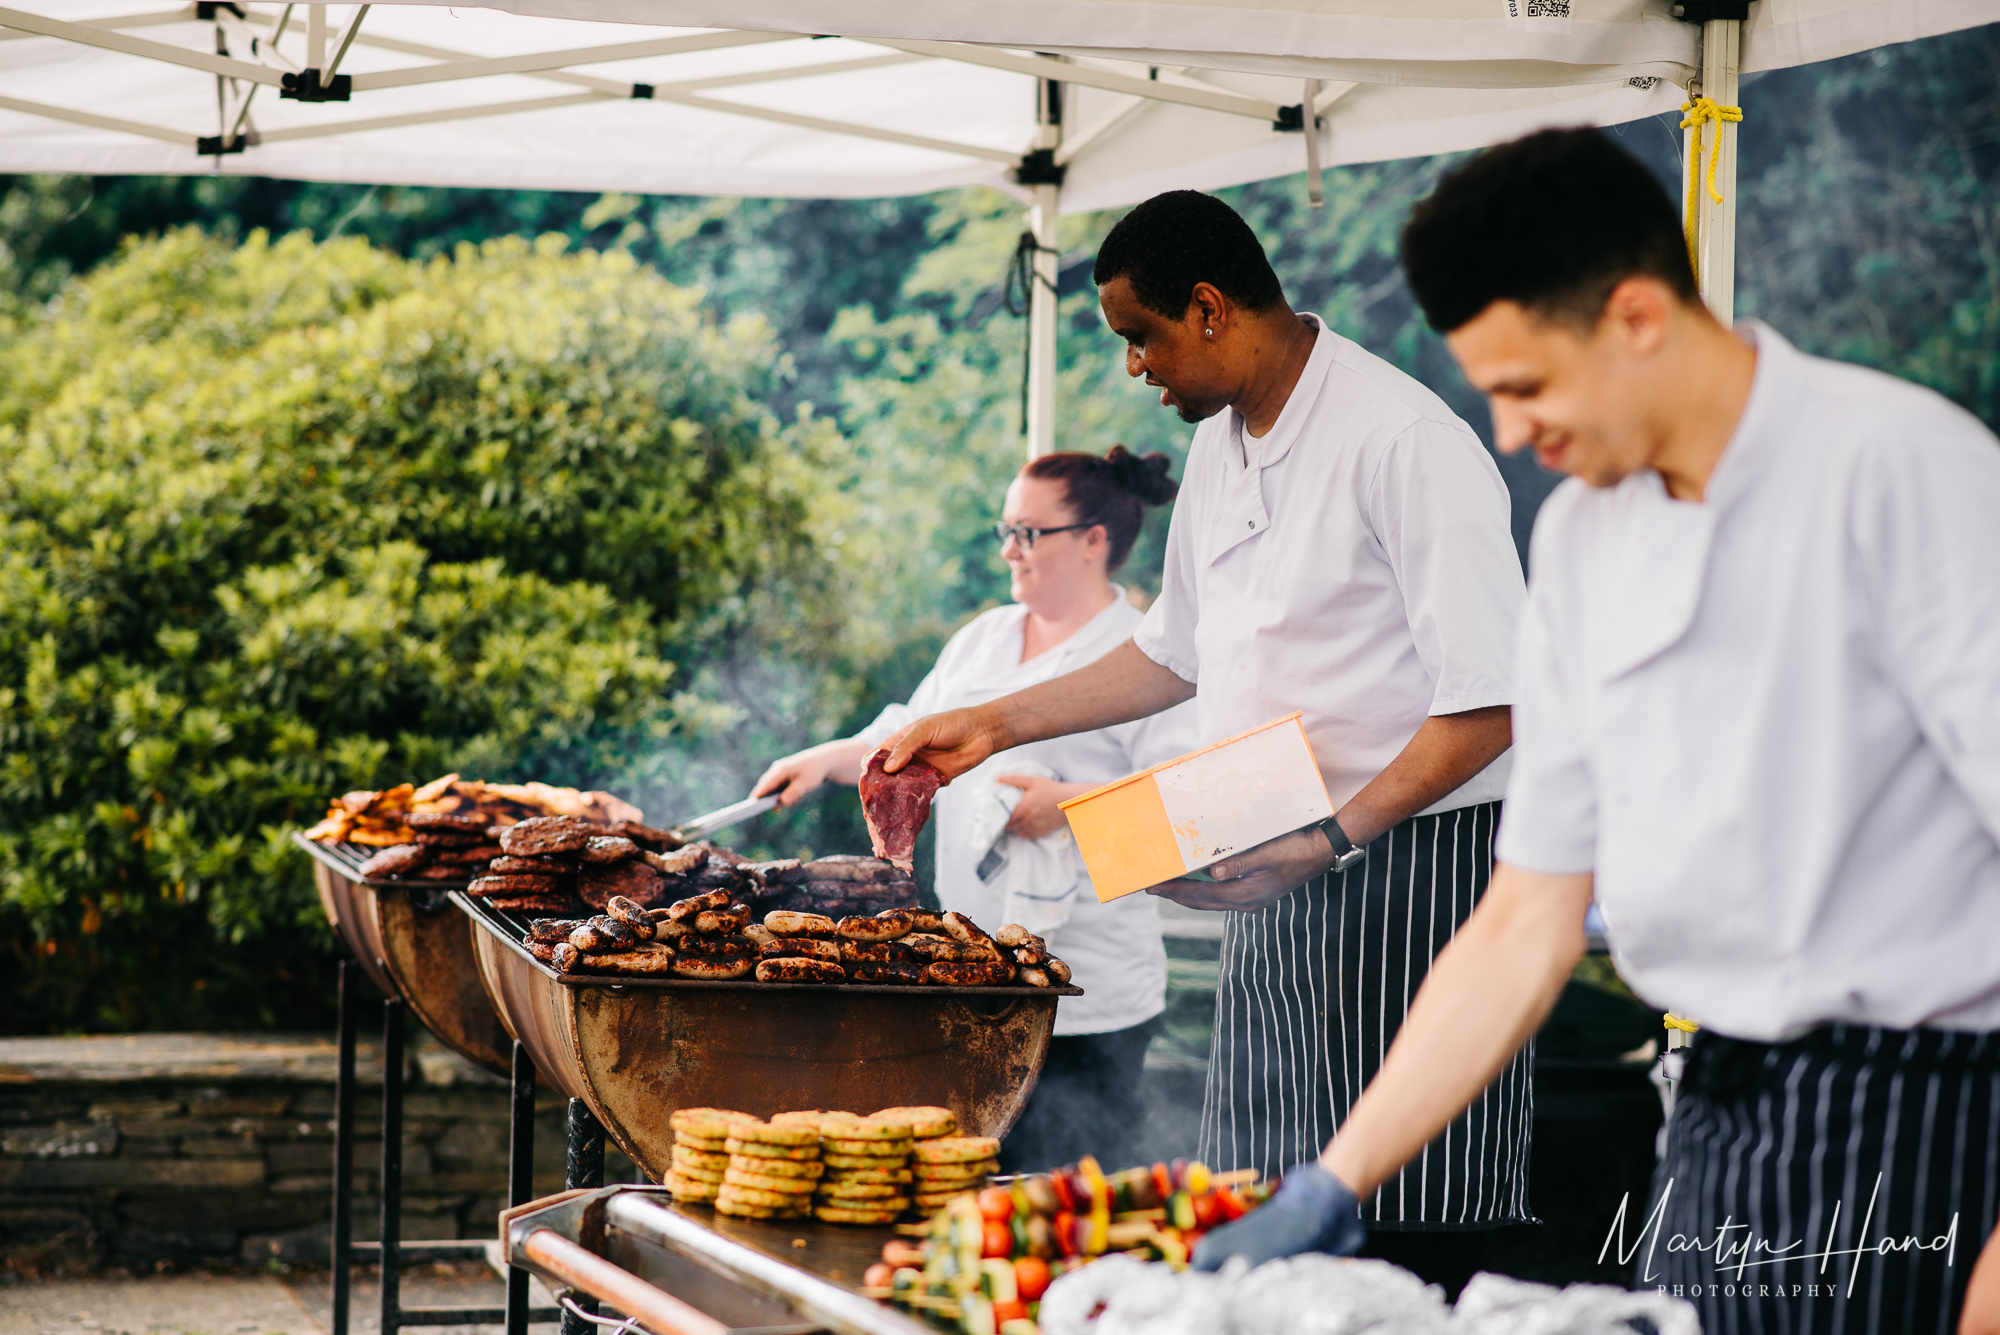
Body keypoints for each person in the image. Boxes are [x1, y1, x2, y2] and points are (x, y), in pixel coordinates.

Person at [1188, 127, 2000, 1335]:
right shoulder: (1579, 542)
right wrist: (1336, 1179)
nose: (1511, 435)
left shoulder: (1903, 471)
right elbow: (1523, 922)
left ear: (1633, 317)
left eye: (1524, 388)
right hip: (1714, 1116)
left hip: (1927, 1118)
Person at [878, 190, 1531, 1296]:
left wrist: (1331, 836)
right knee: (1260, 1203)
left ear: (1212, 308)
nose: (1135, 368)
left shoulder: (1403, 438)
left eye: (1141, 336)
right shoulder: (1224, 447)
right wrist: (987, 724)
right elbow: (1169, 658)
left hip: (1410, 876)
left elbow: (1495, 699)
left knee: (1400, 1224)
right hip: (1271, 864)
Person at [753, 446, 1198, 1172]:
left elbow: (1181, 802)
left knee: (1066, 1199)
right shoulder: (985, 636)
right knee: (972, 1185)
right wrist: (825, 760)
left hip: (1089, 996)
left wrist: (1071, 806)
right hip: (969, 976)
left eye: (1029, 533)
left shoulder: (1144, 657)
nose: (1008, 550)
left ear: (1094, 540)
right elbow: (905, 733)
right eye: (1005, 530)